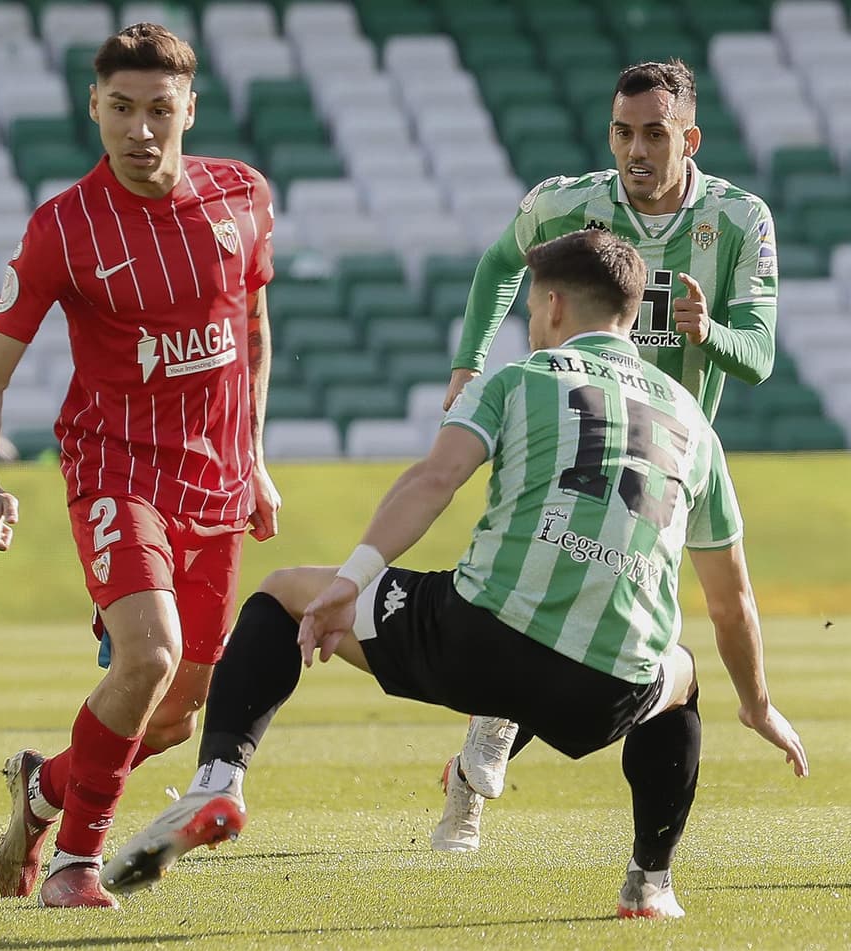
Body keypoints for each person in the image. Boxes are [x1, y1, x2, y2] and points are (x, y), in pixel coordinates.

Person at [101, 229, 807, 919]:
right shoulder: (694, 425)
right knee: (680, 675)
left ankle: (219, 781)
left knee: (285, 592)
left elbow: (434, 480)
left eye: (531, 308)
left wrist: (352, 579)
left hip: (477, 641)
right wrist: (758, 705)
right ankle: (649, 884)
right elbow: (731, 602)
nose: (531, 323)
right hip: (607, 686)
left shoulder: (520, 378)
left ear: (554, 304)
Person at [0, 23, 280, 908]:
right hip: (117, 472)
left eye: (159, 110)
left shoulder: (243, 195)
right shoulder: (63, 228)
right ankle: (76, 861)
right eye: (122, 108)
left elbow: (251, 330)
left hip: (217, 480)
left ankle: (44, 788)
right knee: (149, 655)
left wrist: (255, 459)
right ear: (93, 106)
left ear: (189, 110)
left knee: (173, 713)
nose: (140, 129)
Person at [436, 59, 782, 852]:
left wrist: (708, 333)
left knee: (601, 644)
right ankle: (631, 859)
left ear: (690, 139)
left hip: (668, 458)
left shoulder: (738, 219)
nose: (636, 151)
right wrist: (469, 360)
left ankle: (481, 758)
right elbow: (499, 263)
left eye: (655, 134)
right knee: (578, 623)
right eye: (623, 133)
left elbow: (759, 356)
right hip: (577, 440)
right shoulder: (571, 205)